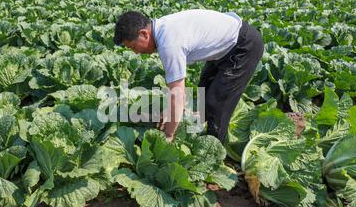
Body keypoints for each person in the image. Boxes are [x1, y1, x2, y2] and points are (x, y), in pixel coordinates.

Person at [113, 9, 264, 143]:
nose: (136, 52)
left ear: (144, 34)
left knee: (216, 104)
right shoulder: (162, 29)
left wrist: (169, 135)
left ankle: (215, 150)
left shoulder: (169, 44)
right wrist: (170, 110)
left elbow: (177, 95)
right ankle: (196, 132)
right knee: (202, 93)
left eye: (133, 46)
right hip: (225, 46)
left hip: (243, 46)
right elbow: (177, 92)